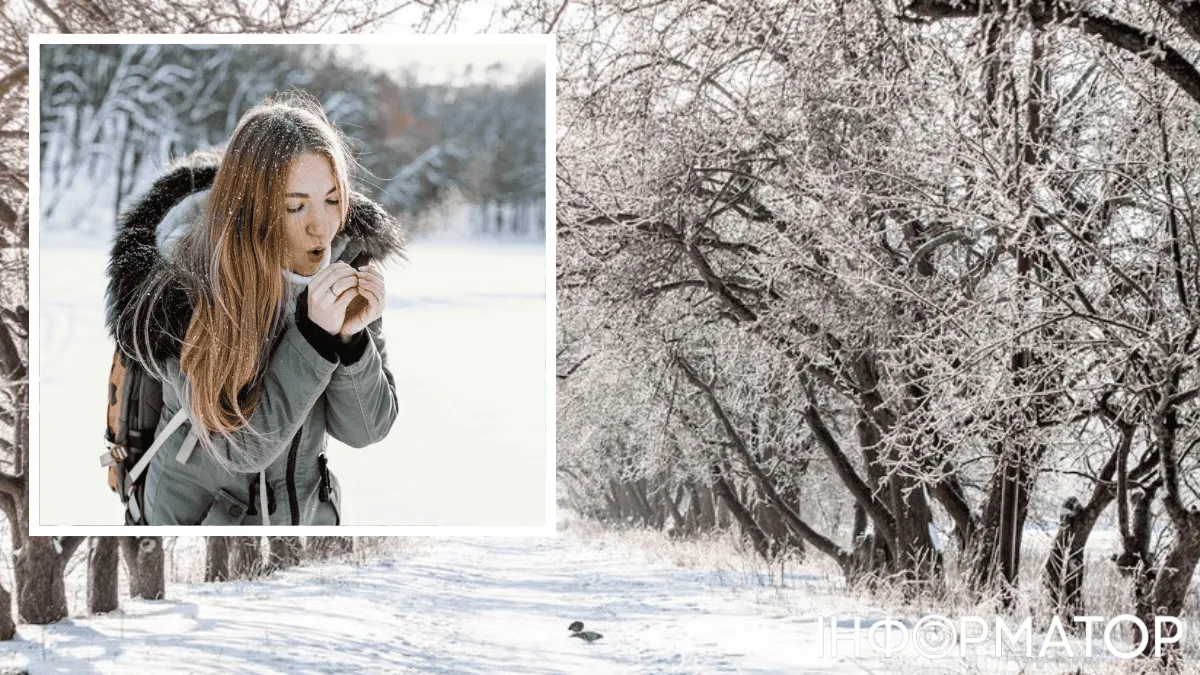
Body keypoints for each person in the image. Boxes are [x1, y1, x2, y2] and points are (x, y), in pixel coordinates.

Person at [106, 93, 403, 525]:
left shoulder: (345, 262)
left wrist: (351, 341)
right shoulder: (180, 287)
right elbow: (237, 447)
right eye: (294, 206)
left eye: (333, 200)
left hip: (298, 524)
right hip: (196, 525)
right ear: (250, 209)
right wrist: (315, 339)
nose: (320, 225)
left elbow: (367, 429)